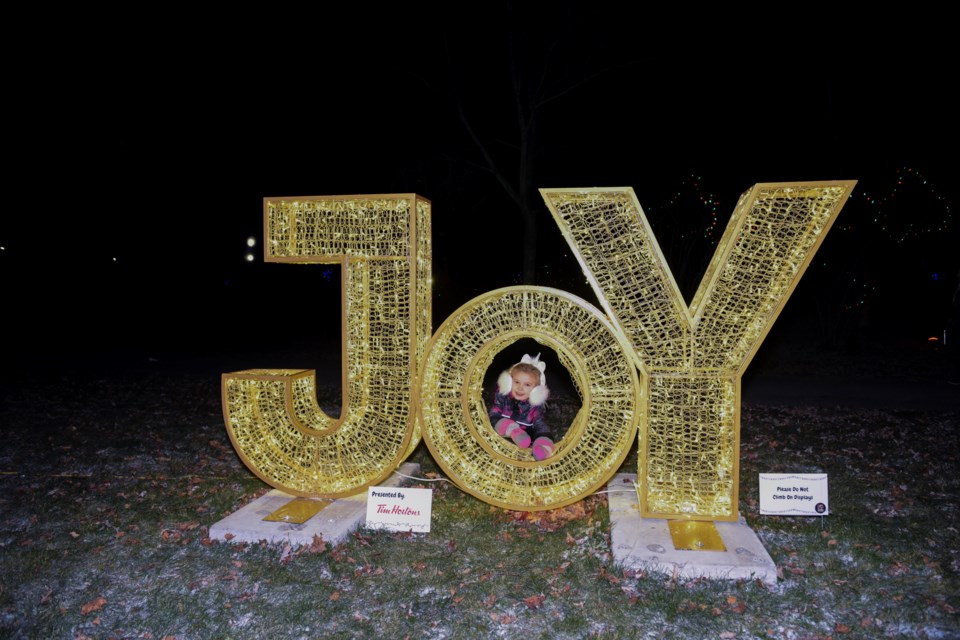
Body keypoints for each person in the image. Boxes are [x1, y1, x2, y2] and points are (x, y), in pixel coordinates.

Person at [488, 353, 555, 460]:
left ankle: (543, 449)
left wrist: (542, 441)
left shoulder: (535, 407)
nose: (520, 388)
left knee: (542, 431)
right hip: (502, 435)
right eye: (517, 382)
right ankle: (512, 431)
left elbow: (540, 426)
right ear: (509, 382)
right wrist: (511, 429)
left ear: (536, 390)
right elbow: (493, 415)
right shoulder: (503, 396)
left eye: (527, 385)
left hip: (525, 439)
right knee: (494, 419)